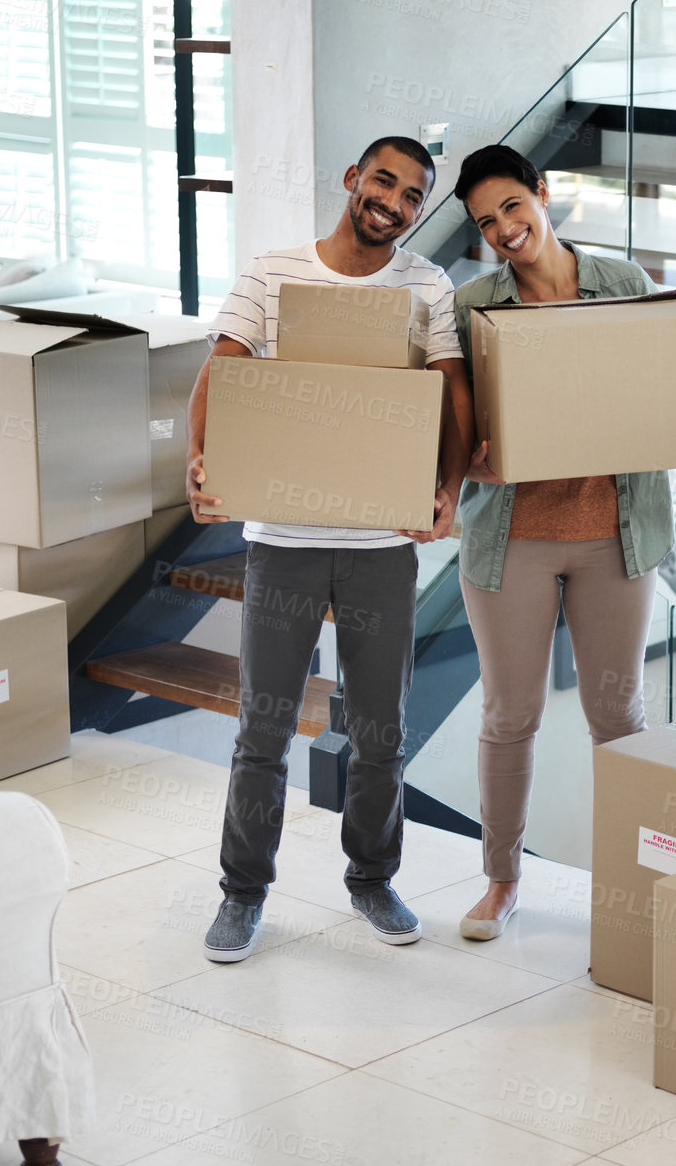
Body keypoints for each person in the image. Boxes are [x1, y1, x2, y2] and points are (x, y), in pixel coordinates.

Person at [186, 136, 474, 962]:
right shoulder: (275, 273)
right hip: (283, 540)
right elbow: (222, 370)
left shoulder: (427, 285)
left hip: (383, 543)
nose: (394, 200)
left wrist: (449, 490)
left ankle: (372, 877)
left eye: (413, 194)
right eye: (383, 180)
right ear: (352, 179)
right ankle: (242, 894)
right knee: (263, 730)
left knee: (381, 730)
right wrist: (199, 466)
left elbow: (453, 392)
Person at [450, 144, 676, 940]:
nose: (505, 228)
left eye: (512, 206)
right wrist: (472, 463)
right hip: (513, 543)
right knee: (511, 715)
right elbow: (457, 433)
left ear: (541, 195)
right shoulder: (473, 304)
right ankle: (501, 881)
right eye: (485, 221)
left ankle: (636, 882)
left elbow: (666, 387)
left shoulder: (624, 283)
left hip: (616, 537)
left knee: (618, 715)